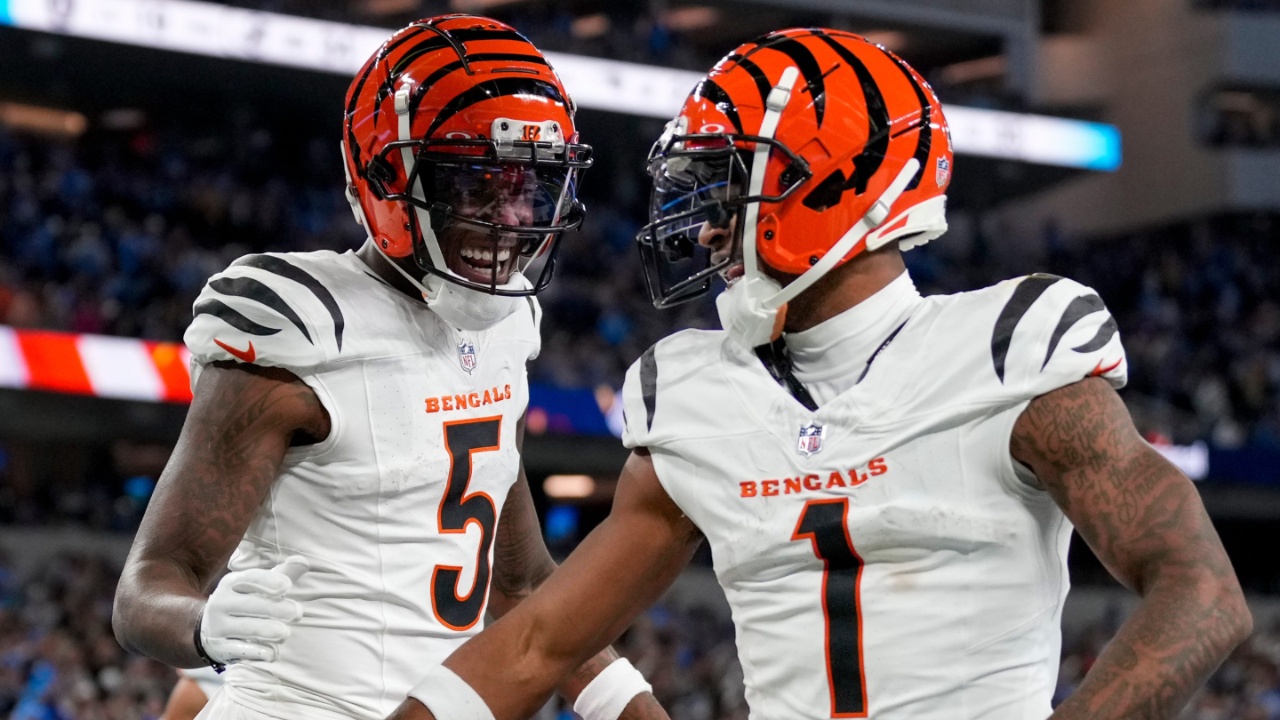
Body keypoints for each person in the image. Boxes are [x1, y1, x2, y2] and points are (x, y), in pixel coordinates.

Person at [386, 28, 1253, 720]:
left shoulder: (1011, 347)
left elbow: (1204, 592)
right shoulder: (690, 392)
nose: (709, 232)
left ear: (834, 185)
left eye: (727, 193)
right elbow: (540, 641)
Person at [113, 14, 666, 720]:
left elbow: (522, 581)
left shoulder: (509, 324)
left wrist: (630, 705)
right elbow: (147, 586)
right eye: (475, 187)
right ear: (389, 175)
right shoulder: (304, 324)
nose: (508, 219)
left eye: (529, 187)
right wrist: (202, 628)